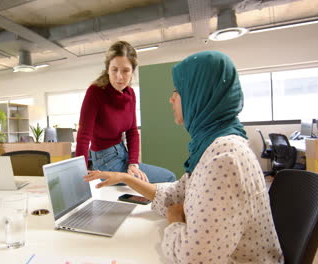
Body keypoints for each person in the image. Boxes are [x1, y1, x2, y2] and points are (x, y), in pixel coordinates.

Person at [84, 51, 284, 263]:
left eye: (178, 91)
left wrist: (174, 219)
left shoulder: (225, 158)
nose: (171, 99)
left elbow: (192, 258)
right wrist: (125, 177)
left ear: (199, 95)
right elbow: (176, 193)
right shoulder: (212, 144)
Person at [75, 40, 175, 183]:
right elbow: (84, 135)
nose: (119, 77)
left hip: (123, 153)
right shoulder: (96, 92)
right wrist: (78, 172)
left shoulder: (130, 94)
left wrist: (133, 163)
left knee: (155, 183)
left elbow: (132, 132)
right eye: (114, 70)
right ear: (107, 69)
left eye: (125, 70)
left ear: (132, 71)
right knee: (168, 178)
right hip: (106, 161)